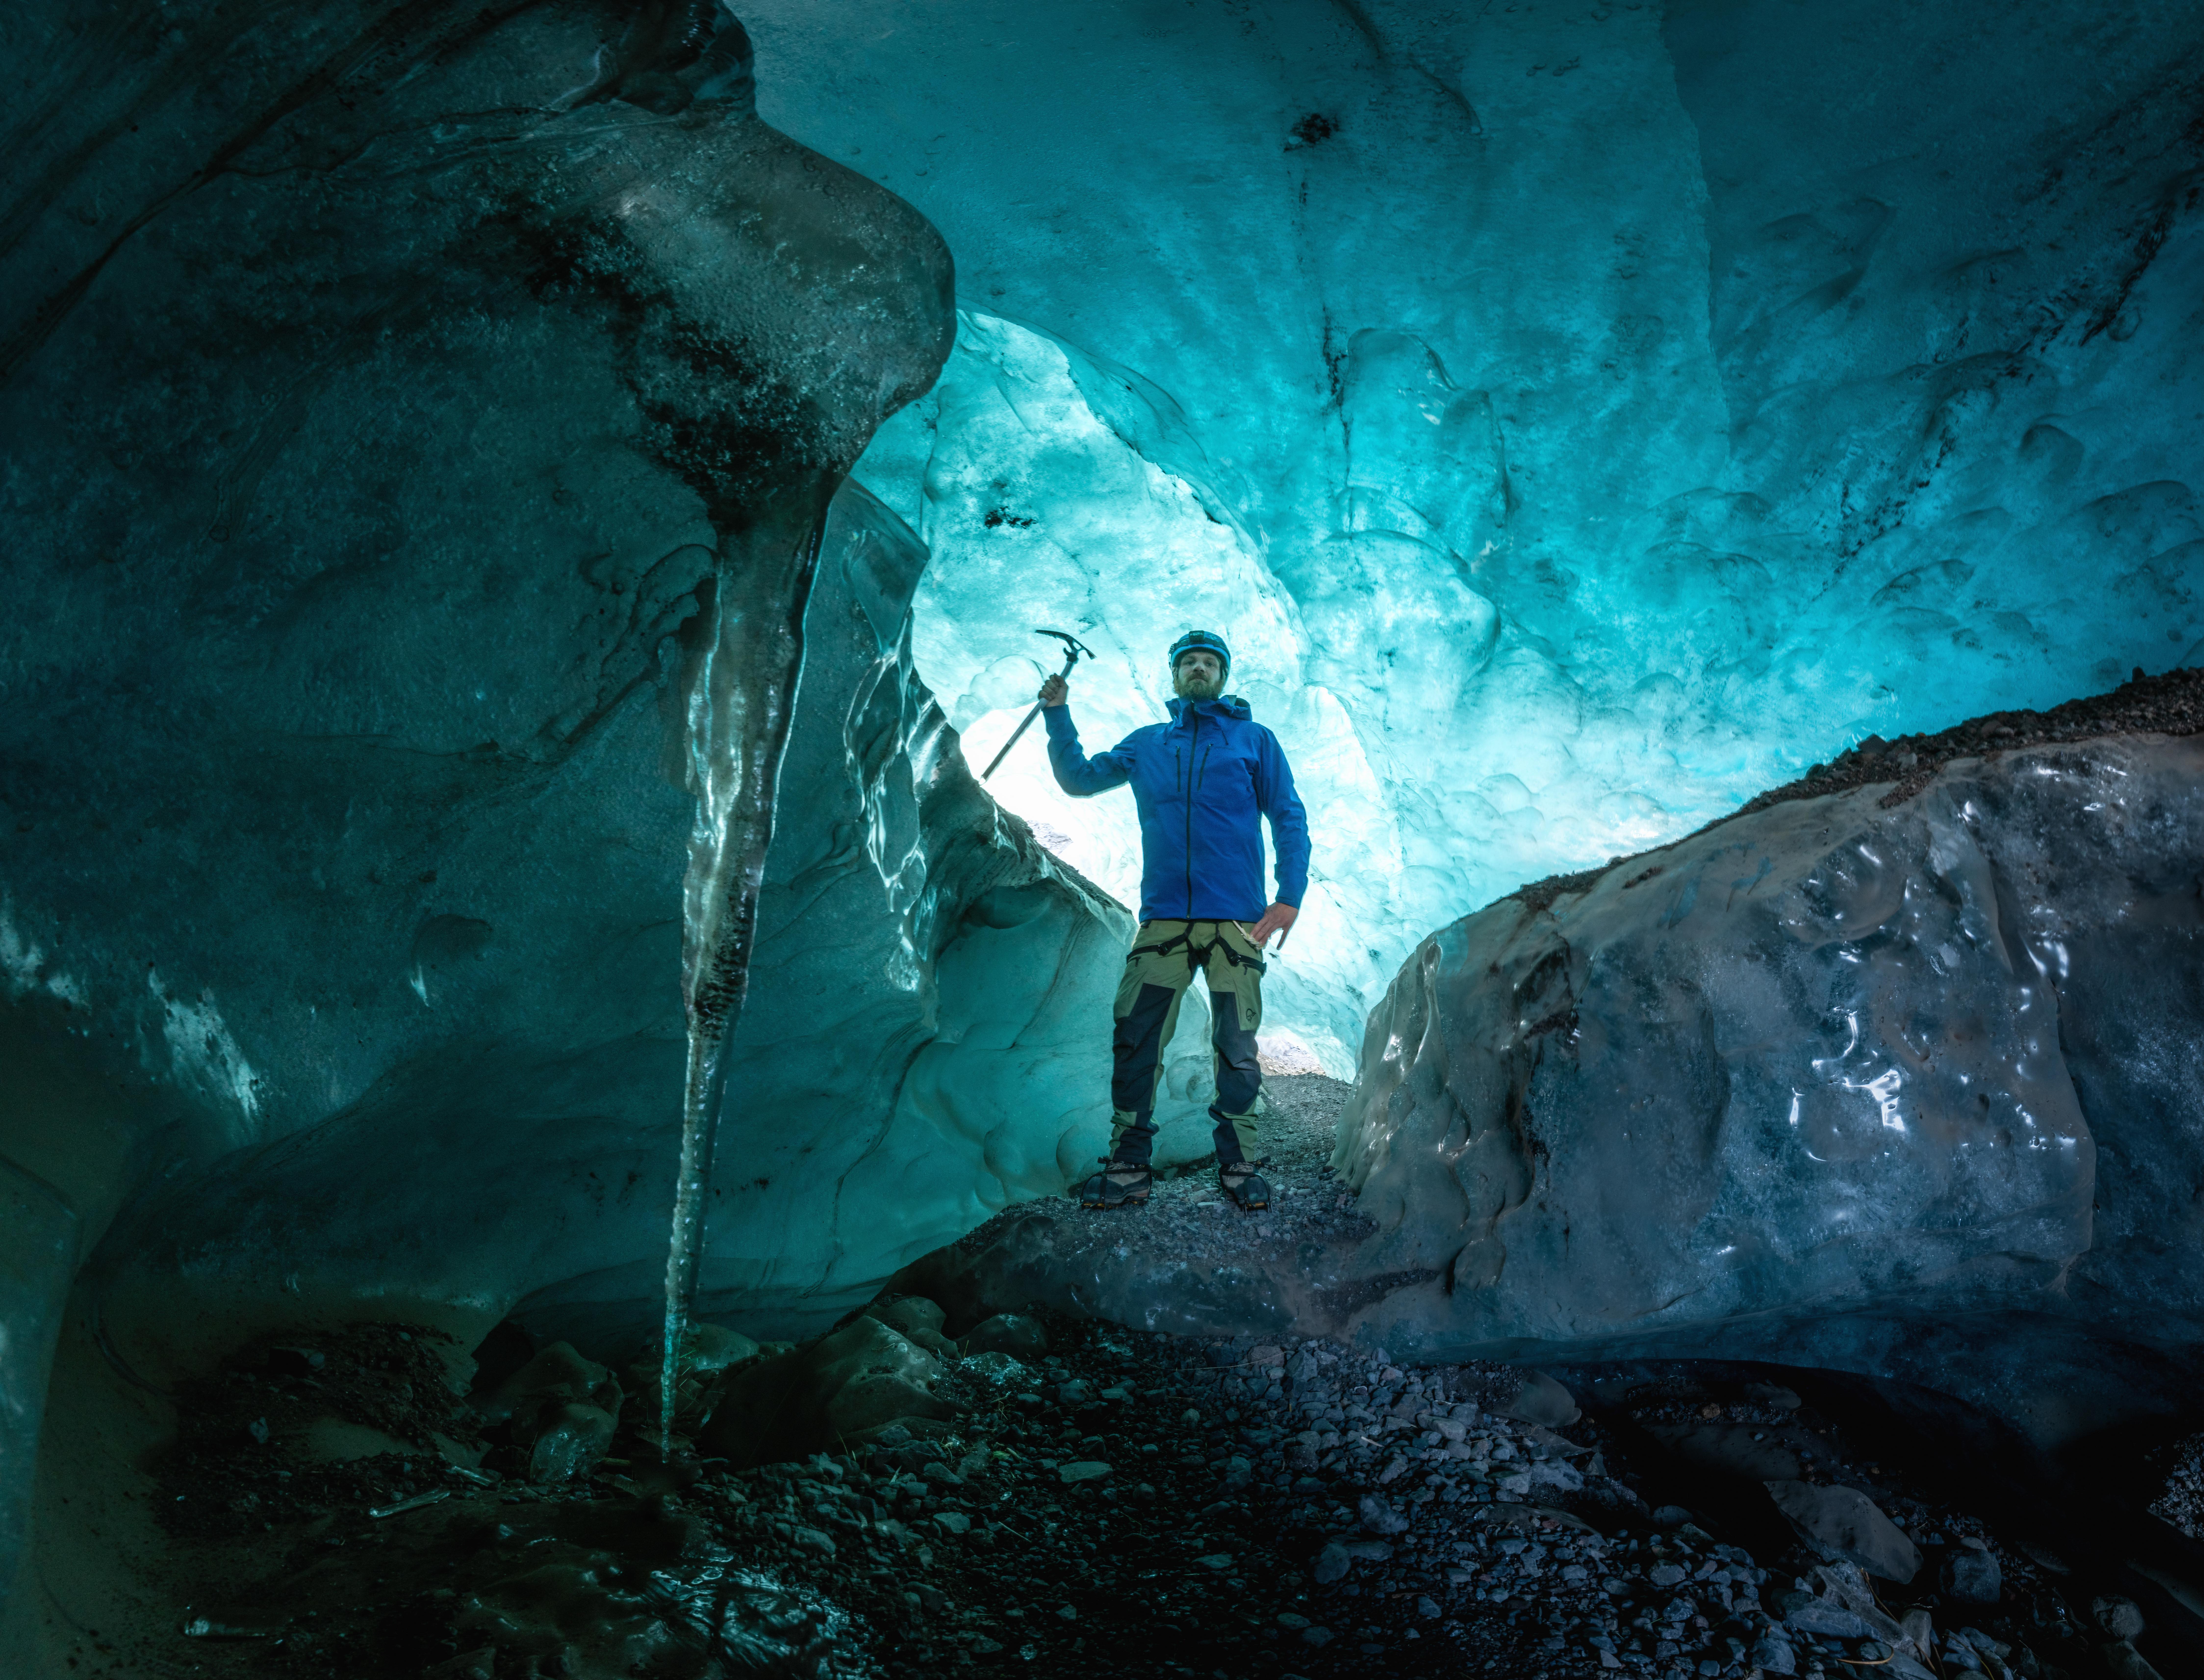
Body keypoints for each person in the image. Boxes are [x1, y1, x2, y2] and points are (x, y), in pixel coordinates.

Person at [1039, 629, 1310, 1212]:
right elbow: (1079, 780)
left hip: (1235, 923)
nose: (1198, 669)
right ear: (1174, 673)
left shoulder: (1254, 740)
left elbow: (1288, 815)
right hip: (1164, 919)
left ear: (1223, 675)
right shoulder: (1147, 745)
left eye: (1209, 663)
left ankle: (1239, 1162)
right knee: (1136, 1038)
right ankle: (1129, 1163)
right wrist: (1057, 715)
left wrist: (1289, 894)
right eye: (1188, 661)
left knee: (1235, 1045)